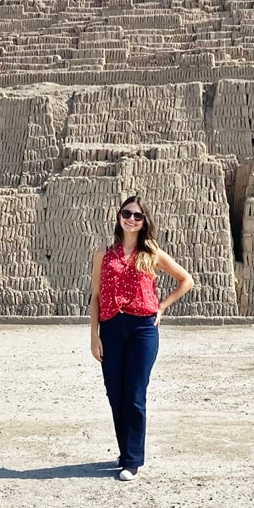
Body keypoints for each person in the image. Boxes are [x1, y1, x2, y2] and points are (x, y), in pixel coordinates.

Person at [89, 195, 194, 481]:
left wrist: (161, 306)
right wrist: (94, 337)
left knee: (134, 395)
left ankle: (132, 461)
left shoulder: (152, 254)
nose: (131, 219)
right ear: (119, 216)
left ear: (144, 221)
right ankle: (125, 453)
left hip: (142, 330)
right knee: (115, 394)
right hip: (111, 328)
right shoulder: (103, 255)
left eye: (138, 215)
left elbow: (186, 280)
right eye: (127, 213)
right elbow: (96, 296)